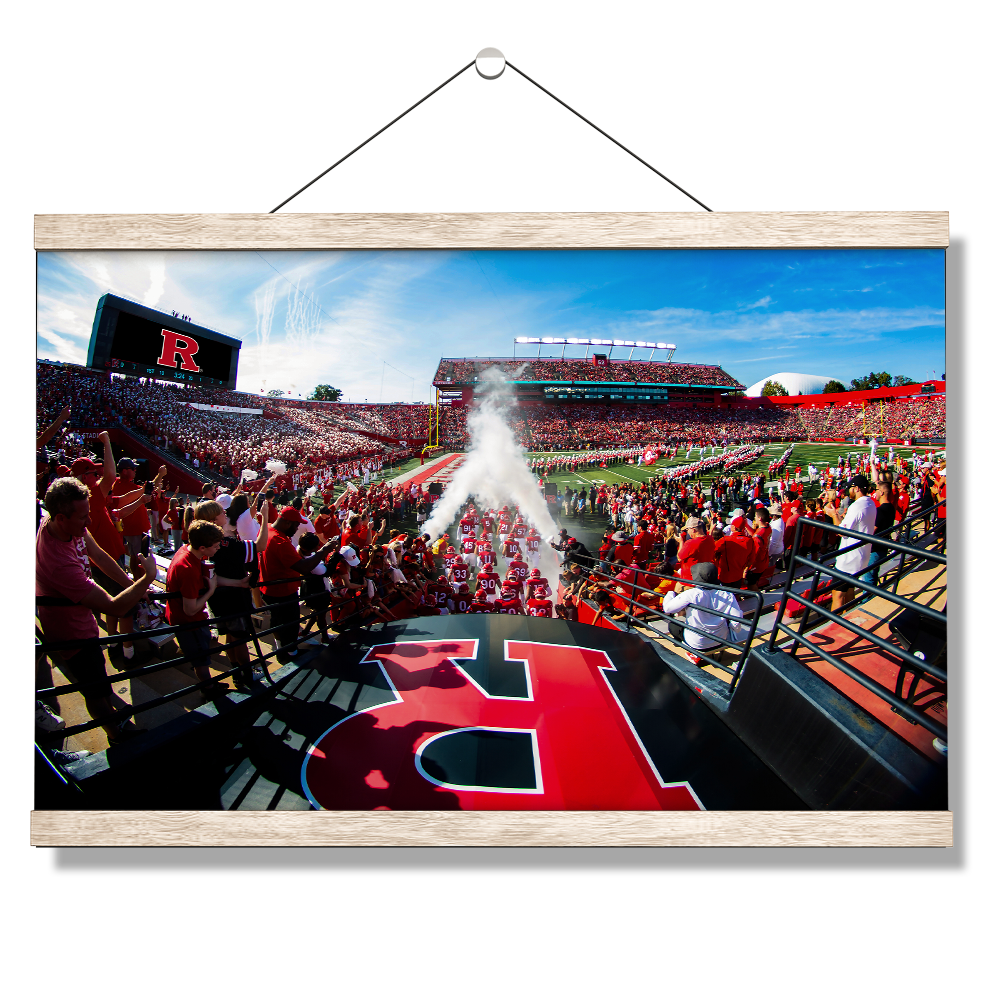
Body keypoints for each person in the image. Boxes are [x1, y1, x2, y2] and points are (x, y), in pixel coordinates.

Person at [36, 477, 158, 744]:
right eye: (83, 518)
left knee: (100, 682)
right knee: (95, 692)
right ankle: (116, 737)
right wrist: (147, 579)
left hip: (83, 622)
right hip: (72, 634)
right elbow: (115, 606)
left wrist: (131, 583)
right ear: (59, 518)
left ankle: (116, 725)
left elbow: (99, 556)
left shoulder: (70, 525)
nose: (89, 522)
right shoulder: (58, 562)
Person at [258, 506, 341, 663]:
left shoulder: (269, 529)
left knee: (279, 622)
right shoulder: (279, 541)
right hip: (282, 591)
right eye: (296, 525)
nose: (297, 529)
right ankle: (289, 654)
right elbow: (304, 567)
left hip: (270, 587)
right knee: (289, 624)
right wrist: (324, 550)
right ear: (287, 523)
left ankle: (285, 649)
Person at [165, 518, 229, 696]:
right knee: (200, 660)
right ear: (202, 548)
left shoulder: (186, 550)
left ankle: (207, 682)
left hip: (183, 619)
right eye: (215, 546)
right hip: (189, 623)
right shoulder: (187, 568)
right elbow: (190, 609)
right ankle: (208, 689)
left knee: (199, 655)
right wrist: (211, 591)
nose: (217, 549)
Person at [823, 474, 878, 612]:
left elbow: (842, 532)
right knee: (849, 590)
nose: (849, 491)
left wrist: (833, 515)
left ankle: (835, 626)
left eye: (851, 488)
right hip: (861, 554)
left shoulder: (857, 506)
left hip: (849, 558)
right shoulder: (870, 503)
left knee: (838, 595)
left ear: (857, 488)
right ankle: (850, 619)